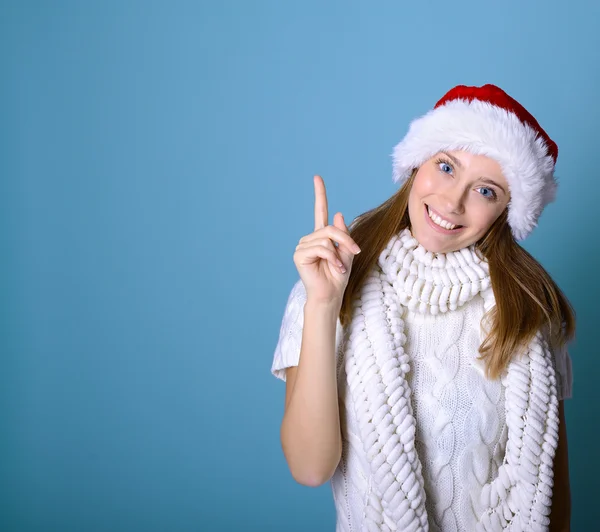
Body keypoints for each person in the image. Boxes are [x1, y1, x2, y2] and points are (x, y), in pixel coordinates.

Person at [270, 84, 575, 532]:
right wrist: (322, 304)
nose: (453, 201)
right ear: (417, 163)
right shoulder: (331, 279)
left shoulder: (529, 311)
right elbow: (310, 468)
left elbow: (553, 501)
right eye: (446, 166)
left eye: (486, 191)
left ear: (507, 211)